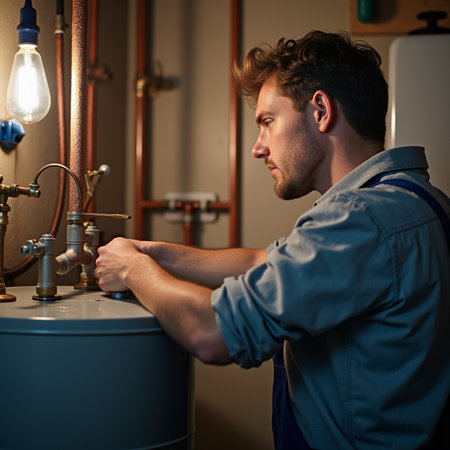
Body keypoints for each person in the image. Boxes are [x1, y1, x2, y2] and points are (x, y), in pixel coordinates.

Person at [94, 30, 450, 449]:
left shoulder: (359, 220)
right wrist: (148, 251)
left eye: (267, 121)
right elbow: (262, 260)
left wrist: (134, 270)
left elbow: (212, 334)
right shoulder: (417, 200)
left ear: (320, 110)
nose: (257, 148)